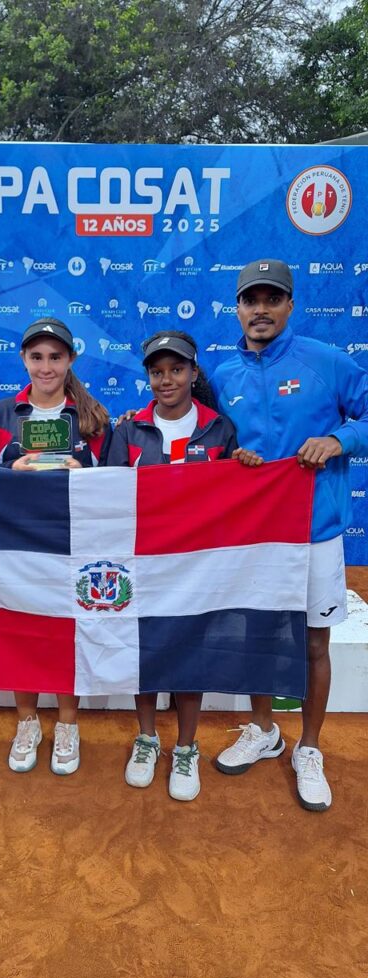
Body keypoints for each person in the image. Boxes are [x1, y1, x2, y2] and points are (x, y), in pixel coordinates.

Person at [211, 258, 368, 811]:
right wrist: (231, 456)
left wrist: (340, 440)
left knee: (314, 642)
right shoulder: (221, 376)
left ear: (290, 305)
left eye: (272, 299)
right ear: (237, 309)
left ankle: (310, 746)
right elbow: (209, 447)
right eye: (251, 300)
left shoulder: (326, 361)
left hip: (314, 529)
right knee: (257, 635)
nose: (261, 310)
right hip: (254, 533)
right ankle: (263, 730)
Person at [0, 316, 111, 776]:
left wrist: (84, 475)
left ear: (70, 359)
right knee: (21, 631)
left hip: (72, 541)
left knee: (67, 633)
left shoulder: (93, 418)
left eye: (55, 357)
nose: (45, 367)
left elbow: (115, 484)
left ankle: (67, 723)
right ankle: (27, 722)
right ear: (23, 359)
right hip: (15, 544)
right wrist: (9, 473)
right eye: (36, 357)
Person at [107, 330, 238, 801]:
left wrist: (244, 466)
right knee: (144, 652)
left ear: (193, 372)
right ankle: (147, 738)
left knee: (189, 655)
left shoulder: (219, 428)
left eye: (177, 370)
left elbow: (236, 498)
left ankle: (186, 746)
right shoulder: (129, 429)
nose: (167, 380)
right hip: (142, 562)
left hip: (198, 567)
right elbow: (110, 494)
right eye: (157, 371)